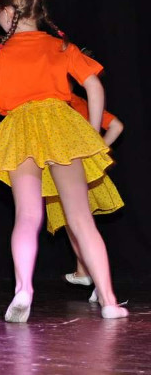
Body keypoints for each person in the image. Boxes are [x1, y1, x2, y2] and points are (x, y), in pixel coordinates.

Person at [0, 0, 128, 321]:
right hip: (60, 127)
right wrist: (90, 131)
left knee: (27, 217)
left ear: (7, 11)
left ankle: (23, 289)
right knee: (81, 219)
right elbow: (94, 86)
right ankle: (109, 300)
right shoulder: (60, 46)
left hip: (20, 129)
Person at [46, 91, 124, 303]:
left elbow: (116, 126)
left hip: (66, 171)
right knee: (79, 225)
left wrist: (95, 152)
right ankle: (84, 272)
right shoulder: (77, 103)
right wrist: (96, 153)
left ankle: (94, 279)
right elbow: (116, 126)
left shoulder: (54, 106)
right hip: (82, 173)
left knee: (76, 224)